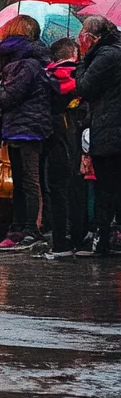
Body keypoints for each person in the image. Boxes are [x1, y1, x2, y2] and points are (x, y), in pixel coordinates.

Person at [0, 32, 53, 251]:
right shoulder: (24, 67)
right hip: (17, 131)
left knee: (30, 182)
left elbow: (8, 97)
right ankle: (19, 226)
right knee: (21, 182)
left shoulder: (27, 67)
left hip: (29, 132)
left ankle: (30, 229)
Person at [74, 15, 121, 256]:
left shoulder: (106, 56)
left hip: (110, 131)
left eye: (83, 35)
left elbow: (84, 87)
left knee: (106, 188)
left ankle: (102, 243)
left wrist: (81, 60)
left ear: (94, 37)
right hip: (112, 129)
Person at [43, 37, 87, 259]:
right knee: (78, 187)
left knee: (57, 187)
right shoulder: (86, 75)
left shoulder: (46, 77)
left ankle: (60, 242)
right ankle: (79, 237)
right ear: (74, 54)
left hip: (56, 135)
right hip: (80, 136)